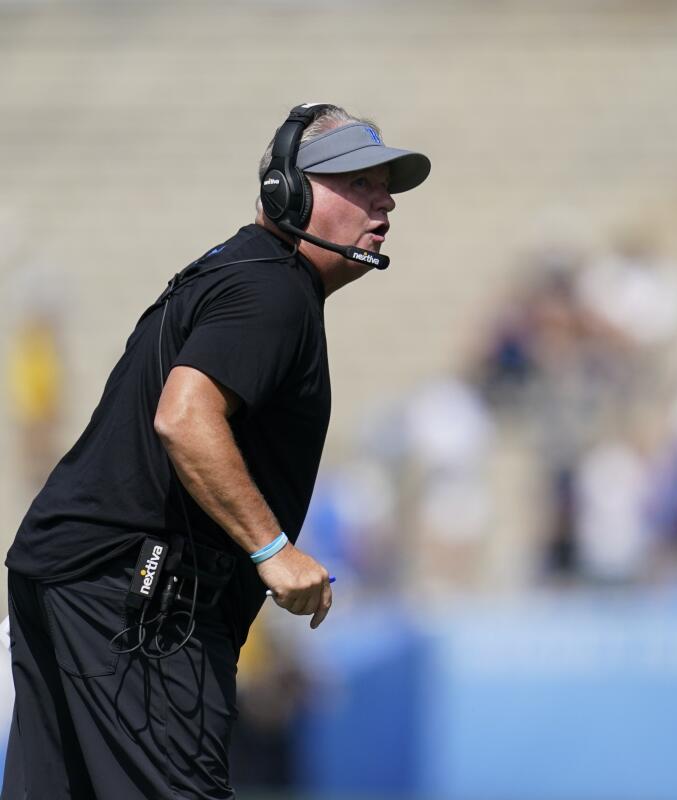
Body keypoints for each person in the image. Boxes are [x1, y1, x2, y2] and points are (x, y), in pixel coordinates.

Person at [2, 103, 430, 799]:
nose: (382, 201)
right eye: (357, 181)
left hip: (70, 574)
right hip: (138, 603)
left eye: (386, 184)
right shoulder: (273, 291)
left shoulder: (242, 271)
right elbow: (184, 414)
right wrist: (273, 550)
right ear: (285, 193)